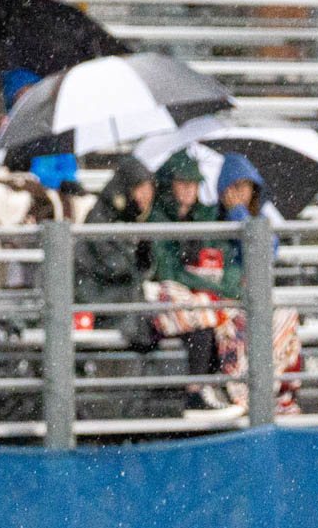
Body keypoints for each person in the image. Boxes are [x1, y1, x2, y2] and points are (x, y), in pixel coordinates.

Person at [146, 150, 241, 417]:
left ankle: (225, 390)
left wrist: (221, 284)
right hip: (170, 301)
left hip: (202, 304)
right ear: (170, 184)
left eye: (194, 184)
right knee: (204, 316)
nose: (190, 190)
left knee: (224, 322)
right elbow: (167, 270)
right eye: (183, 183)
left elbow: (227, 257)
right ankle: (196, 391)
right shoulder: (157, 218)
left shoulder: (207, 216)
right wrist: (210, 287)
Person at [213, 153, 302, 414]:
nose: (240, 193)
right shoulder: (213, 219)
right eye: (235, 187)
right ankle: (243, 395)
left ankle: (272, 392)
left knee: (285, 317)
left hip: (254, 302)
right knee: (233, 325)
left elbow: (264, 255)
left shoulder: (258, 221)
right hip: (228, 301)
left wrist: (239, 215)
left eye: (246, 187)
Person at [73, 156, 155, 351]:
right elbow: (113, 265)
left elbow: (144, 269)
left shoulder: (133, 218)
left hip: (114, 295)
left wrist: (144, 253)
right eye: (141, 189)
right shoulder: (101, 216)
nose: (146, 196)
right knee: (134, 302)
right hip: (95, 292)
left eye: (149, 189)